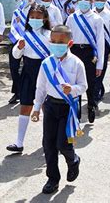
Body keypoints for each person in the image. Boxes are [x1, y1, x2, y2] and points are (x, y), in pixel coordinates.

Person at [31, 25, 87, 195]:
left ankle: (73, 160)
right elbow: (40, 88)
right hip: (50, 106)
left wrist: (73, 89)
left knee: (63, 143)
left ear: (69, 43)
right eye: (53, 42)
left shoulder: (77, 63)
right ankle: (52, 178)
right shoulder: (46, 63)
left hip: (68, 107)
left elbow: (83, 86)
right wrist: (36, 108)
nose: (56, 45)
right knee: (48, 144)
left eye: (60, 42)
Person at [7, 5, 51, 153]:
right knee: (25, 105)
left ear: (45, 19)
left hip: (45, 74)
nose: (35, 20)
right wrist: (19, 47)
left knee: (46, 107)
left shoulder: (50, 35)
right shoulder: (25, 35)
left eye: (38, 17)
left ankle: (48, 140)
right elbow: (15, 56)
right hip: (28, 72)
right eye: (32, 17)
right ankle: (19, 143)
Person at [66, 0, 104, 123]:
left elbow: (100, 42)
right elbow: (67, 37)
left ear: (91, 1)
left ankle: (91, 105)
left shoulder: (97, 18)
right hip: (75, 51)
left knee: (90, 81)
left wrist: (100, 64)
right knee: (75, 81)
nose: (83, 1)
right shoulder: (72, 17)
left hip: (89, 53)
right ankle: (76, 109)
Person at [8, 0, 34, 104]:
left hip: (30, 42)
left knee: (28, 67)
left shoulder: (34, 11)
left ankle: (27, 92)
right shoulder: (16, 12)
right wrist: (17, 38)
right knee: (14, 66)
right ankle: (17, 91)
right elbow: (13, 26)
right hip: (18, 42)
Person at [93, 0, 110, 103]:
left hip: (105, 45)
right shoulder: (90, 13)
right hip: (92, 46)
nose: (99, 1)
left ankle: (96, 92)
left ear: (105, 0)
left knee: (101, 69)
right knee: (93, 70)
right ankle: (98, 88)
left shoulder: (109, 15)